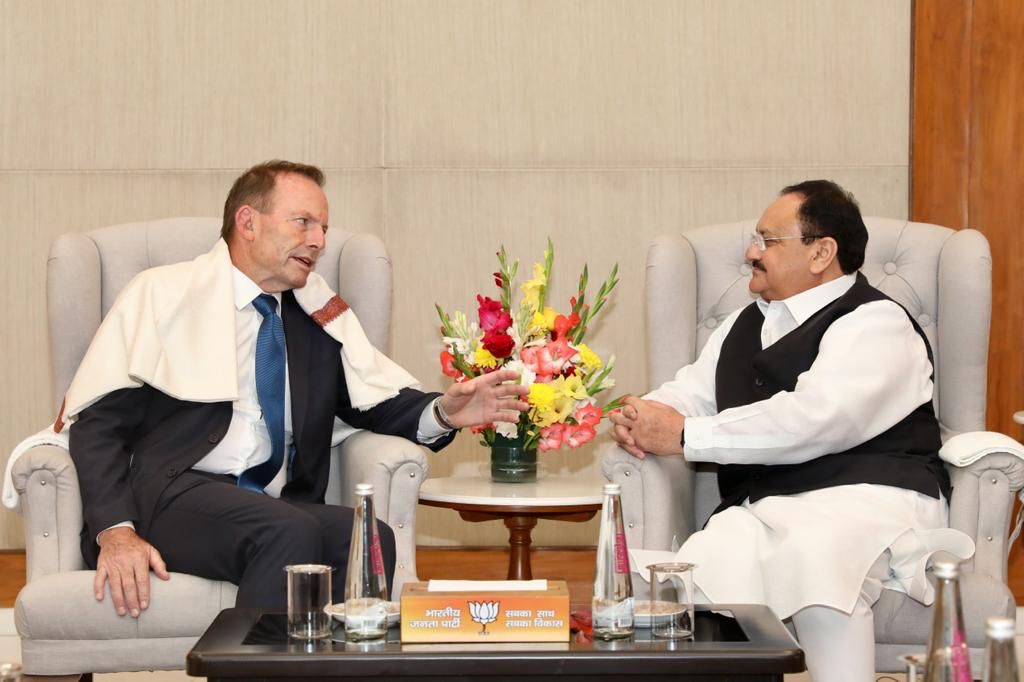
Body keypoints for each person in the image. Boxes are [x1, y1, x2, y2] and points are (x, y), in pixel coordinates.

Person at [66, 160, 529, 619]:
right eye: (303, 222)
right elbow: (99, 425)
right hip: (173, 494)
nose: (319, 241)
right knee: (286, 533)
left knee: (368, 538)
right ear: (247, 222)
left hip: (268, 502)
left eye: (323, 228)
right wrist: (115, 531)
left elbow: (369, 399)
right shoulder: (164, 295)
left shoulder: (315, 314)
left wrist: (445, 413)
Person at [609, 180, 972, 682]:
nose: (750, 252)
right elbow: (690, 392)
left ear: (822, 252)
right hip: (767, 504)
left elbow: (816, 418)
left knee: (819, 557)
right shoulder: (741, 323)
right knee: (707, 566)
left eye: (767, 241)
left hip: (866, 496)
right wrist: (644, 417)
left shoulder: (876, 322)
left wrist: (685, 434)